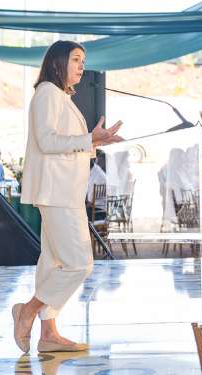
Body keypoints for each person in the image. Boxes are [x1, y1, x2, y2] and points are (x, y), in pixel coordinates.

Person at [14, 40, 123, 353]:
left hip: (63, 190)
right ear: (58, 61)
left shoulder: (59, 96)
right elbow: (47, 141)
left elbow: (62, 143)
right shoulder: (48, 92)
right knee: (79, 264)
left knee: (53, 262)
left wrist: (95, 143)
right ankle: (28, 311)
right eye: (76, 59)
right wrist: (89, 137)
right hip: (57, 190)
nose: (81, 66)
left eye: (83, 60)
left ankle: (49, 334)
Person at [85, 149, 107, 219]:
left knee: (76, 215)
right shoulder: (94, 171)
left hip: (98, 212)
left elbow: (89, 203)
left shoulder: (98, 176)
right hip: (93, 209)